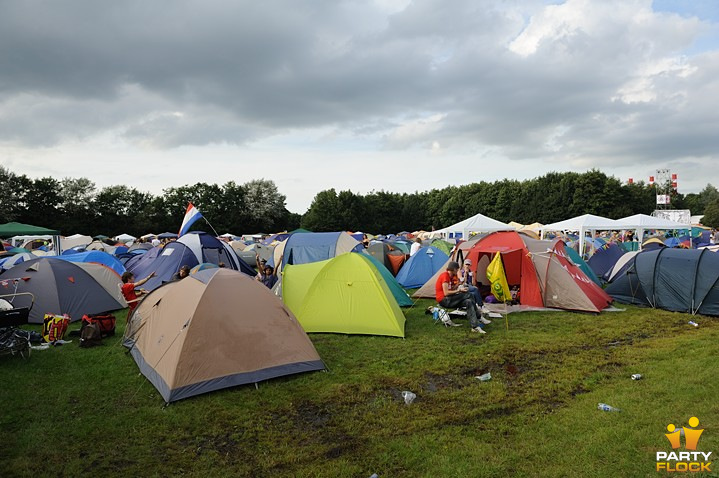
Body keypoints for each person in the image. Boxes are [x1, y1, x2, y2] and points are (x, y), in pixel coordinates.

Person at [435, 261, 488, 333]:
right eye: (457, 270)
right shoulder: (445, 276)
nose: (457, 271)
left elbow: (451, 289)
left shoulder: (450, 277)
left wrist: (458, 285)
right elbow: (446, 293)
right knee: (470, 295)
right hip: (444, 300)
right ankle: (479, 317)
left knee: (468, 302)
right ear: (453, 269)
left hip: (450, 299)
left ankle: (475, 326)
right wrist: (459, 290)